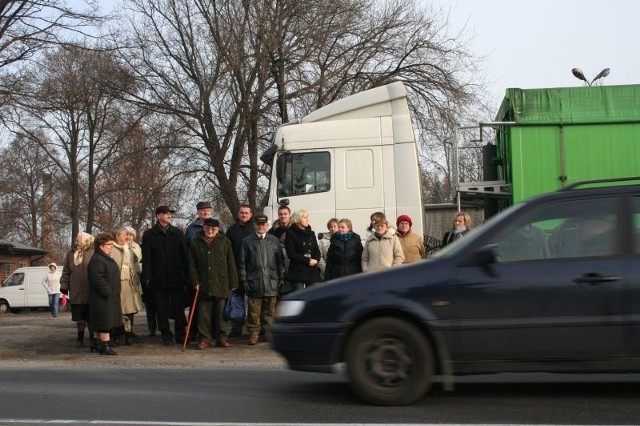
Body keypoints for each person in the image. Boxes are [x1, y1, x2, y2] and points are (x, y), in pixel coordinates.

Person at [141, 205, 190, 346]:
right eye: (166, 213)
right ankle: (166, 334)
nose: (169, 216)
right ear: (158, 216)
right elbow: (147, 258)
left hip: (176, 277)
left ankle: (180, 334)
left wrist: (188, 275)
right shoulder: (149, 235)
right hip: (158, 278)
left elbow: (184, 256)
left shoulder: (178, 233)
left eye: (170, 214)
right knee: (161, 309)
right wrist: (147, 278)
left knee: (178, 308)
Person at [189, 218, 239, 349]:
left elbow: (231, 263)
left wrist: (234, 282)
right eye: (207, 228)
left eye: (213, 229)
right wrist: (195, 281)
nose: (210, 231)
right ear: (203, 228)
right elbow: (192, 264)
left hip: (221, 282)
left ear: (218, 230)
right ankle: (204, 339)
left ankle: (221, 338)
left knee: (221, 314)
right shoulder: (195, 242)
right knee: (203, 314)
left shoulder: (225, 242)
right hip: (203, 283)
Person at [239, 214, 285, 345]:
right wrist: (244, 280)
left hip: (271, 280)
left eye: (263, 224)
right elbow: (242, 263)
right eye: (258, 224)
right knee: (254, 311)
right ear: (254, 225)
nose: (261, 226)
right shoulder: (247, 241)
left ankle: (269, 331)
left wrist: (281, 277)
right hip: (254, 280)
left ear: (267, 225)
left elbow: (280, 261)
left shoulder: (274, 240)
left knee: (270, 310)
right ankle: (254, 333)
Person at [87, 232, 122, 356]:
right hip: (103, 297)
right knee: (104, 321)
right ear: (101, 245)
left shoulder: (103, 257)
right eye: (109, 244)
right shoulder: (97, 259)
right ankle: (105, 345)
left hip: (107, 295)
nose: (111, 246)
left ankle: (96, 342)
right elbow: (98, 278)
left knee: (102, 320)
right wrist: (108, 292)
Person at [60, 232, 94, 348]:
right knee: (80, 317)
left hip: (90, 289)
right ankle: (80, 339)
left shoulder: (93, 252)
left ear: (86, 240)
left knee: (90, 316)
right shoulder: (71, 254)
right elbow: (66, 271)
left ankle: (92, 338)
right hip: (76, 290)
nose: (76, 242)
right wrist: (64, 286)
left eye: (79, 240)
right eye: (76, 239)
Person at [224, 204, 254, 338]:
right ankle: (236, 327)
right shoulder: (231, 230)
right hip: (236, 269)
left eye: (247, 213)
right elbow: (226, 251)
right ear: (238, 214)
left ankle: (254, 328)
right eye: (242, 213)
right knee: (237, 300)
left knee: (254, 300)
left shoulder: (255, 228)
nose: (244, 215)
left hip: (253, 270)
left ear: (251, 215)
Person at [111, 226, 144, 345]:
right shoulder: (112, 249)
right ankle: (116, 334)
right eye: (125, 235)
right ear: (117, 236)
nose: (127, 237)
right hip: (117, 284)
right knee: (118, 310)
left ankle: (128, 334)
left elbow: (135, 263)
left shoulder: (129, 248)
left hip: (130, 283)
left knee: (130, 310)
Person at [284, 209, 322, 291]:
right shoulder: (290, 233)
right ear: (298, 219)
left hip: (312, 270)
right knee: (299, 298)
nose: (307, 219)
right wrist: (307, 260)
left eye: (307, 217)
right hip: (298, 271)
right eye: (305, 217)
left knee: (315, 296)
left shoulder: (311, 233)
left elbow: (316, 250)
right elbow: (291, 253)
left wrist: (316, 260)